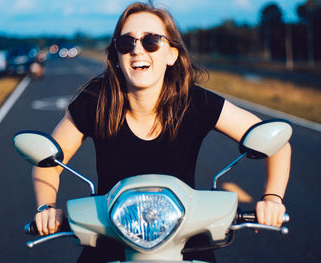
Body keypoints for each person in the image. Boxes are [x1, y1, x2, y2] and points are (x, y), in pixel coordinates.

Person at [31, 2, 291, 262]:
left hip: (187, 244)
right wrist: (47, 207)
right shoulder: (95, 102)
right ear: (117, 57)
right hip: (110, 242)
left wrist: (272, 198)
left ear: (171, 55)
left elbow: (277, 143)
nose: (137, 50)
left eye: (151, 41)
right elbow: (48, 161)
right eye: (126, 43)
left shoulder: (195, 102)